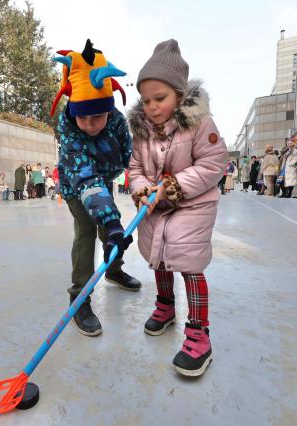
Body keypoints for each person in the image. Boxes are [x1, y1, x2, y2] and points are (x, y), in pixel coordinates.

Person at [129, 39, 228, 377]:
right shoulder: (142, 132)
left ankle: (199, 334)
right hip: (154, 208)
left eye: (160, 98)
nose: (152, 107)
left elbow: (213, 164)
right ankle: (165, 306)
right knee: (158, 256)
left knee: (188, 263)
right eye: (146, 100)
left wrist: (171, 187)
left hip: (192, 205)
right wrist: (143, 191)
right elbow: (135, 169)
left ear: (180, 95)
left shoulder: (200, 124)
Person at [52, 39, 141, 337]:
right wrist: (112, 220)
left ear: (109, 109)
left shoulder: (116, 121)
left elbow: (132, 156)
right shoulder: (69, 132)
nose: (91, 124)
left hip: (103, 180)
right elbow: (86, 179)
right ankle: (80, 298)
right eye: (84, 117)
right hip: (78, 184)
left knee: (110, 231)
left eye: (98, 116)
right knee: (90, 230)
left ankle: (113, 271)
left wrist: (146, 180)